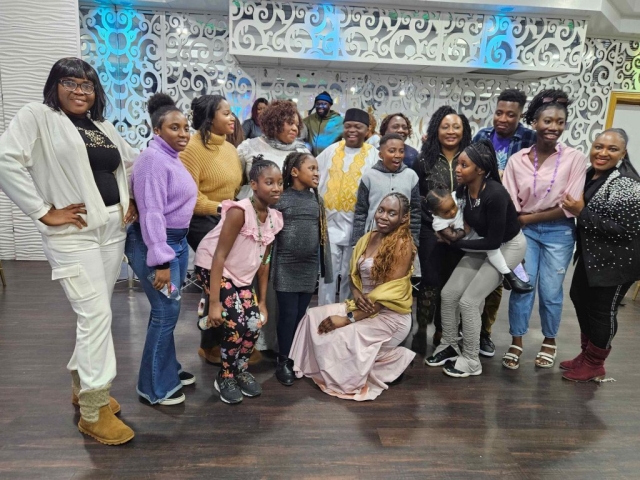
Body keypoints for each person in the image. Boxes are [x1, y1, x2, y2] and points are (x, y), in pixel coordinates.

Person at [0, 57, 138, 445]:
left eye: (87, 85)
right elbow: (5, 160)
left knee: (97, 313)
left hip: (112, 231)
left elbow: (129, 162)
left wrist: (131, 198)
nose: (80, 91)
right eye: (70, 83)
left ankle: (83, 386)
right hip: (73, 234)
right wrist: (42, 211)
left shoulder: (102, 126)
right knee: (95, 314)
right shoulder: (37, 116)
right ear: (55, 85)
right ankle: (94, 409)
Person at [290, 193, 416, 400]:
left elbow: (386, 296)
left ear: (404, 218)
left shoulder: (403, 245)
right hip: (363, 307)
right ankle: (329, 366)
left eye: (392, 213)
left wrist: (346, 319)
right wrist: (357, 294)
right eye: (381, 210)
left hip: (390, 316)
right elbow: (353, 276)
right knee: (313, 316)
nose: (383, 216)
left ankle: (392, 359)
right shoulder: (369, 237)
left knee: (341, 335)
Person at [424, 140, 528, 377]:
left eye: (464, 165)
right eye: (458, 164)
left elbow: (493, 243)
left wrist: (456, 242)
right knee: (449, 294)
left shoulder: (496, 194)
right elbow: (445, 214)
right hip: (480, 243)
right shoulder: (462, 191)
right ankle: (449, 345)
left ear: (480, 169)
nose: (457, 169)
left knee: (469, 301)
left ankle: (471, 360)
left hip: (507, 247)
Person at [502, 89, 587, 370]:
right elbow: (511, 201)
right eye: (547, 121)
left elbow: (570, 206)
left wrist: (529, 218)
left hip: (559, 232)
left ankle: (549, 340)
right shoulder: (517, 160)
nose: (553, 127)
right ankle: (516, 341)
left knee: (551, 291)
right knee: (522, 287)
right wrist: (522, 222)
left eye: (560, 122)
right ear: (535, 123)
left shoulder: (575, 159)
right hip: (523, 233)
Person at [125, 93, 197, 405]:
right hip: (157, 245)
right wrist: (161, 261)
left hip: (174, 243)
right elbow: (151, 212)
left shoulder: (170, 157)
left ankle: (167, 369)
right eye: (174, 128)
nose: (183, 134)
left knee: (169, 309)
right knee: (165, 312)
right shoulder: (153, 160)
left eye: (186, 128)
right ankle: (152, 387)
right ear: (157, 130)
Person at [193, 158, 284, 404]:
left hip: (240, 276)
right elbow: (219, 256)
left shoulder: (275, 219)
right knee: (236, 324)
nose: (276, 188)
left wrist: (262, 302)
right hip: (213, 267)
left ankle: (240, 370)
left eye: (279, 183)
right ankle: (225, 376)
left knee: (254, 323)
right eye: (269, 182)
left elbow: (264, 262)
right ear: (254, 185)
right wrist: (214, 303)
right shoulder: (239, 212)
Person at [560, 129, 640, 382]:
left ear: (623, 153)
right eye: (598, 146)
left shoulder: (626, 183)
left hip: (618, 261)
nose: (603, 153)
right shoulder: (590, 173)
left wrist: (581, 213)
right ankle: (586, 354)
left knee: (602, 310)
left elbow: (626, 230)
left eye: (612, 149)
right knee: (579, 297)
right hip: (592, 256)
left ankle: (595, 364)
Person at [237, 100, 310, 352]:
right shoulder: (249, 147)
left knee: (278, 284)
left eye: (297, 123)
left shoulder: (301, 151)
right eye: (289, 123)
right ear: (274, 122)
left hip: (286, 227)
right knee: (252, 278)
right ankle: (251, 340)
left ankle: (279, 343)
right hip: (253, 224)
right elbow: (237, 184)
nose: (295, 128)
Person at [472, 88, 537, 357]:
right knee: (475, 273)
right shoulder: (482, 136)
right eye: (499, 112)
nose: (503, 119)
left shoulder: (530, 139)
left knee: (496, 279)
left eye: (511, 115)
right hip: (481, 214)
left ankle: (484, 332)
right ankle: (468, 327)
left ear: (520, 116)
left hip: (512, 218)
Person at [180, 95, 244, 365]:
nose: (232, 118)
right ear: (209, 118)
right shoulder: (191, 149)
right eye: (226, 113)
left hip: (224, 216)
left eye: (231, 113)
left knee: (231, 277)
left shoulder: (229, 148)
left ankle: (226, 339)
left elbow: (234, 187)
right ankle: (210, 344)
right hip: (200, 219)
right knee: (217, 278)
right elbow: (189, 198)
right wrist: (220, 208)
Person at [411, 106, 471, 354]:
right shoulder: (423, 160)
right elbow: (416, 195)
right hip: (430, 230)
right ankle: (421, 327)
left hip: (462, 230)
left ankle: (443, 329)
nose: (451, 131)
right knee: (431, 279)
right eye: (445, 126)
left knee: (453, 282)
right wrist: (435, 222)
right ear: (436, 129)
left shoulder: (469, 158)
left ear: (464, 131)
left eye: (456, 127)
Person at [271, 152, 332, 386]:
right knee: (287, 315)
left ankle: (295, 355)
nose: (317, 173)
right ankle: (283, 360)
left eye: (317, 169)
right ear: (295, 172)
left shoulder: (317, 200)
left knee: (300, 314)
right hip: (286, 266)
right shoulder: (281, 199)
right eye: (312, 168)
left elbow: (322, 235)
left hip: (308, 267)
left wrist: (323, 266)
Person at [316, 108, 379, 305]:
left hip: (356, 226)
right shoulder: (331, 151)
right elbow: (314, 174)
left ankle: (345, 315)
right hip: (329, 225)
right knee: (327, 275)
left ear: (367, 130)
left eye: (358, 127)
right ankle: (324, 314)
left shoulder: (373, 155)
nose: (352, 130)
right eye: (348, 126)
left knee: (350, 275)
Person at [425, 186, 533, 293]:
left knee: (495, 240)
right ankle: (510, 276)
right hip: (468, 242)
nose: (452, 212)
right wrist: (465, 231)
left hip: (477, 232)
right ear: (435, 213)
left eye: (453, 206)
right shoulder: (438, 223)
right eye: (446, 212)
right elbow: (453, 237)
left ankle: (507, 275)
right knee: (492, 249)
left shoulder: (454, 196)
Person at [352, 133, 421, 246]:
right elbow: (360, 212)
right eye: (392, 151)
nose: (397, 155)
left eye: (401, 151)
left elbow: (415, 212)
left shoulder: (411, 176)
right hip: (372, 240)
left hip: (401, 241)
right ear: (381, 154)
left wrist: (414, 242)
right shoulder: (369, 177)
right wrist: (357, 243)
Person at [304, 91, 344, 156]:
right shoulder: (309, 119)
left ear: (330, 105)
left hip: (331, 159)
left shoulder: (339, 121)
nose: (320, 106)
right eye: (318, 104)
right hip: (312, 158)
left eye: (324, 104)